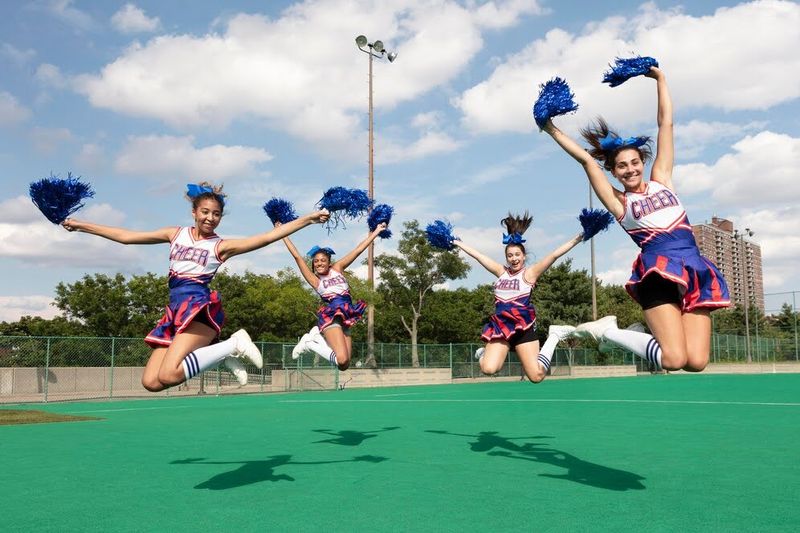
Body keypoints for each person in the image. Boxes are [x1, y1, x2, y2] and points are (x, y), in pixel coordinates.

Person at [542, 66, 729, 372]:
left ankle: (632, 333)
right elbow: (586, 160)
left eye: (633, 162)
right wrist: (550, 128)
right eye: (621, 167)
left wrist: (661, 79)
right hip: (657, 273)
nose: (629, 170)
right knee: (673, 360)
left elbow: (665, 124)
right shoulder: (620, 203)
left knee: (696, 362)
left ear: (643, 161)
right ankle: (609, 331)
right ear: (613, 171)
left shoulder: (662, 179)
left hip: (694, 269)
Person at [62, 182, 329, 391]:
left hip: (199, 310)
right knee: (152, 382)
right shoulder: (174, 234)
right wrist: (82, 226)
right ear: (194, 212)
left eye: (216, 214)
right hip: (174, 312)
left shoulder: (220, 246)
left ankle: (233, 344)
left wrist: (308, 219)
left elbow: (266, 238)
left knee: (169, 373)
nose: (210, 218)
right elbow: (128, 237)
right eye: (205, 212)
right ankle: (222, 352)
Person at [454, 212, 582, 383]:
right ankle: (483, 353)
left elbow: (554, 255)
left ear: (523, 256)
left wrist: (578, 238)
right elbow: (478, 256)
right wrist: (457, 242)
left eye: (517, 255)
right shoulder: (501, 272)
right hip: (501, 327)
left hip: (523, 327)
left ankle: (554, 336)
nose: (514, 259)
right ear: (506, 258)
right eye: (510, 255)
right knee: (488, 369)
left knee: (536, 376)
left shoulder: (529, 274)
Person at [277, 222, 388, 370]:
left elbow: (358, 249)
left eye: (323, 260)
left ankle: (315, 339)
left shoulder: (338, 268)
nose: (319, 263)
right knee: (341, 359)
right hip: (332, 318)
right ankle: (309, 343)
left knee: (344, 365)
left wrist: (376, 231)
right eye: (316, 261)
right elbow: (297, 256)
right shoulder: (315, 280)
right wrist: (282, 233)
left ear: (329, 262)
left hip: (347, 317)